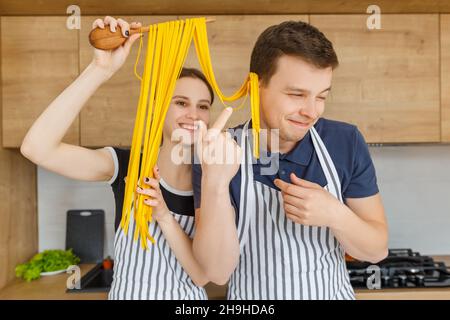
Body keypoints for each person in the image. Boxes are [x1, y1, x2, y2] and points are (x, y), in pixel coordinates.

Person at [192, 20, 389, 300]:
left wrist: (335, 214)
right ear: (255, 85)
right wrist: (215, 182)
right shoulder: (217, 151)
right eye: (297, 95)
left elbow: (376, 249)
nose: (311, 112)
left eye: (321, 97)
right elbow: (216, 271)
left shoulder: (345, 142)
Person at [20, 16, 213, 300]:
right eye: (181, 103)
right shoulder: (126, 165)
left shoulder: (213, 181)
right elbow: (36, 148)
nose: (193, 115)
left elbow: (202, 275)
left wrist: (164, 216)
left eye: (203, 106)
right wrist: (100, 69)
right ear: (157, 108)